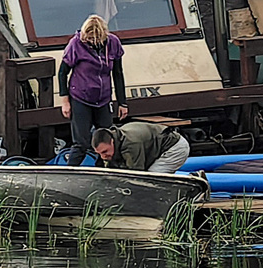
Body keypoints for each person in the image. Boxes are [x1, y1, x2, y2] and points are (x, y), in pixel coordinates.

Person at [57, 14, 127, 151]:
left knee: (107, 140)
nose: (92, 42)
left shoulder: (113, 43)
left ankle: (105, 169)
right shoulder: (75, 44)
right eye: (89, 39)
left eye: (96, 39)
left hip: (103, 98)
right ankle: (72, 171)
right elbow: (62, 73)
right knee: (81, 143)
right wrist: (65, 101)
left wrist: (122, 102)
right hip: (80, 97)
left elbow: (118, 74)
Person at [89, 122, 191, 174]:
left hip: (174, 147)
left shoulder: (131, 144)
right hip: (155, 148)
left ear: (112, 141)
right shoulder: (116, 140)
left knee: (152, 179)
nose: (103, 157)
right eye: (99, 154)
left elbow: (137, 175)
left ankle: (194, 184)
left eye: (105, 151)